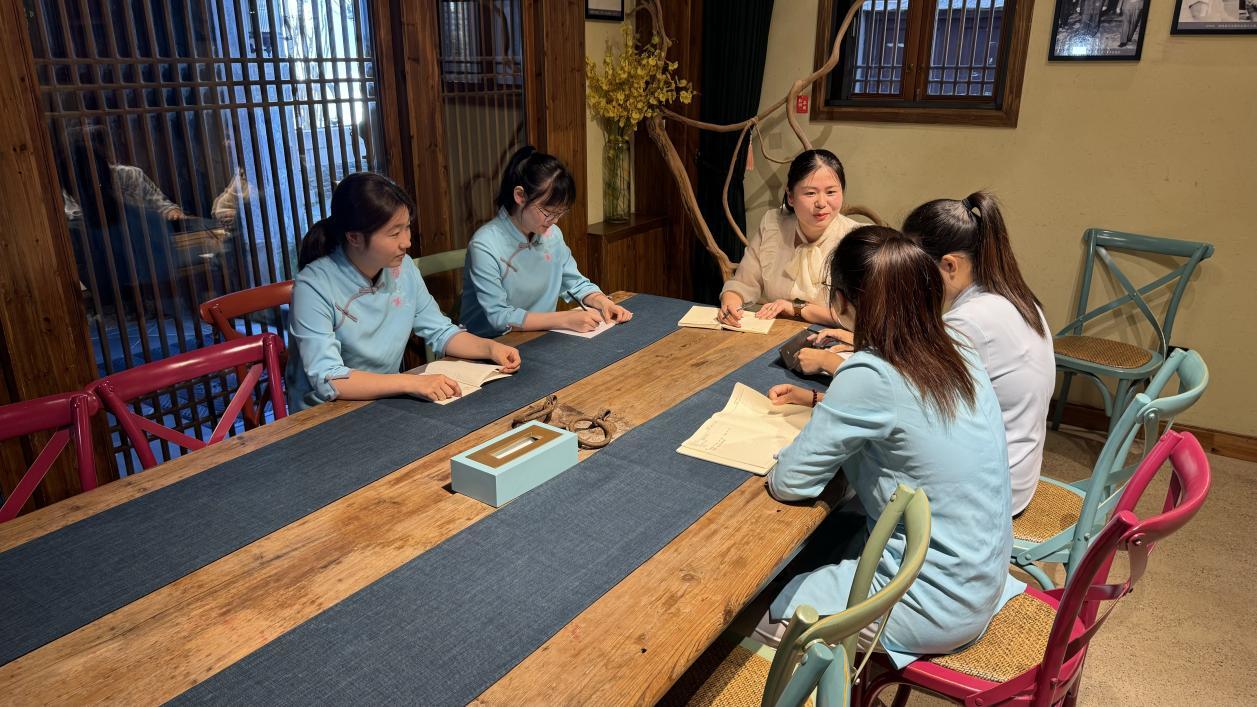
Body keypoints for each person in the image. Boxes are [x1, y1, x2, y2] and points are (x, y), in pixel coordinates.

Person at [756, 226, 1023, 666]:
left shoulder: (871, 371)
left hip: (932, 600)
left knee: (757, 615)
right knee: (838, 534)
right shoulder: (955, 345)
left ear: (840, 303)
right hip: (983, 571)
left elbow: (790, 483)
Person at [286, 172, 520, 411]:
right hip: (325, 414)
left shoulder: (403, 268)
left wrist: (490, 348)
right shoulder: (313, 286)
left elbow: (440, 331)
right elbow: (330, 379)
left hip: (386, 400)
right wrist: (411, 382)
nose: (406, 242)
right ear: (354, 237)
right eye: (394, 233)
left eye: (407, 227)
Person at [903, 192, 1054, 517]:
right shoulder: (1017, 297)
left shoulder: (970, 321)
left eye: (916, 270)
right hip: (1021, 468)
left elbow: (915, 405)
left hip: (992, 494)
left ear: (949, 265)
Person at [460, 146, 632, 337]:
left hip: (539, 337)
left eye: (560, 213)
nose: (554, 221)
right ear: (520, 196)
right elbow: (500, 317)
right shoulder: (485, 245)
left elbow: (575, 283)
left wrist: (603, 302)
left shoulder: (552, 235)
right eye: (548, 212)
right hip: (489, 345)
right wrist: (564, 319)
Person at [717, 149, 861, 330]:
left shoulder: (857, 239)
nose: (821, 203)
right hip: (774, 332)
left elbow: (863, 318)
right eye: (810, 193)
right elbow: (744, 283)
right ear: (791, 197)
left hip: (831, 338)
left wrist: (797, 309)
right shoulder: (773, 225)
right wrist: (731, 302)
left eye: (831, 192)